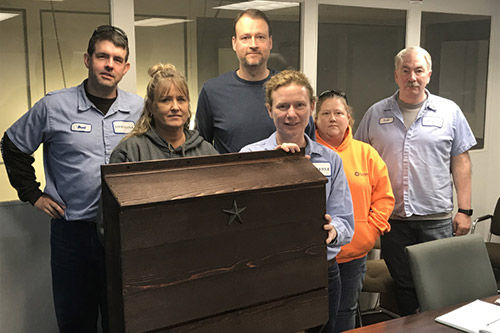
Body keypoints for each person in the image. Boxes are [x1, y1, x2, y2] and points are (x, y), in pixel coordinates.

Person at [1, 25, 143, 332]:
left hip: (124, 234)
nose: (109, 64)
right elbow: (12, 144)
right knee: (75, 321)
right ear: (87, 59)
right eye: (102, 56)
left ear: (126, 67)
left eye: (117, 59)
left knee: (124, 319)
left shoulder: (138, 109)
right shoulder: (55, 107)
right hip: (74, 236)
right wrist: (32, 193)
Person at [354, 46, 476, 315]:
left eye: (418, 70)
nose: (412, 77)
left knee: (440, 286)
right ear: (396, 76)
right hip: (392, 221)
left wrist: (465, 211)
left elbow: (462, 162)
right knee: (404, 288)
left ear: (428, 75)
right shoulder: (375, 114)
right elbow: (359, 160)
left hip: (436, 219)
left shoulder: (449, 112)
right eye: (406, 71)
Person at [240, 69, 355, 332]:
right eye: (282, 106)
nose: (291, 114)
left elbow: (345, 222)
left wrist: (332, 230)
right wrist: (278, 166)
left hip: (321, 271)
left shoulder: (330, 160)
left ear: (312, 107)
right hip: (268, 272)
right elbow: (243, 220)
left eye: (300, 105)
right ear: (269, 110)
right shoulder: (249, 156)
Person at [314, 89, 395, 331]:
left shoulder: (366, 153)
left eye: (339, 113)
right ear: (315, 118)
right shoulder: (307, 154)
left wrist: (370, 231)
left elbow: (384, 197)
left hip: (353, 255)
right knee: (314, 316)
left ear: (349, 117)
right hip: (316, 257)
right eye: (325, 113)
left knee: (345, 311)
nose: (332, 118)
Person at [196, 8, 314, 154]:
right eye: (245, 37)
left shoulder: (290, 91)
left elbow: (310, 146)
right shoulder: (212, 91)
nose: (253, 44)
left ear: (270, 42)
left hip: (287, 176)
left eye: (260, 37)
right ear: (234, 43)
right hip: (232, 177)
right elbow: (201, 150)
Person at [110, 63, 218, 163]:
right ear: (150, 107)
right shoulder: (130, 152)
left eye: (181, 99)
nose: (175, 107)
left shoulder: (207, 152)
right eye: (166, 100)